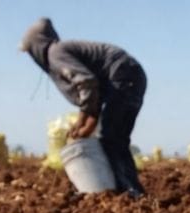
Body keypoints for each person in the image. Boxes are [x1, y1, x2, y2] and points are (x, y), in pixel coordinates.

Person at [20, 17, 147, 198]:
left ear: (36, 47)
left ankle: (128, 192)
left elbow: (87, 82)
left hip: (123, 75)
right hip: (131, 75)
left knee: (111, 137)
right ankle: (130, 190)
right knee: (117, 138)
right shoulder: (62, 51)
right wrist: (81, 123)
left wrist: (88, 124)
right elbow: (91, 90)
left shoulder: (55, 53)